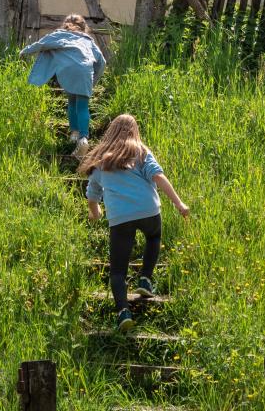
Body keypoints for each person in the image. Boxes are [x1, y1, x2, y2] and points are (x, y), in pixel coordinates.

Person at [79, 113, 189, 333]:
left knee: (118, 270)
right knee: (153, 237)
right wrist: (178, 203)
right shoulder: (140, 152)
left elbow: (92, 193)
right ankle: (146, 278)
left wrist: (95, 213)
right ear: (134, 131)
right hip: (148, 210)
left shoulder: (101, 160)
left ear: (111, 132)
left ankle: (123, 312)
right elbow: (158, 177)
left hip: (120, 217)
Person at [19, 14, 105, 156]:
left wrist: (25, 51)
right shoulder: (88, 40)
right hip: (86, 71)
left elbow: (41, 44)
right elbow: (102, 62)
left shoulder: (59, 35)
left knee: (72, 101)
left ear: (65, 25)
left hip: (68, 70)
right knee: (82, 106)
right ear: (84, 28)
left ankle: (74, 135)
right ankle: (84, 139)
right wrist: (94, 79)